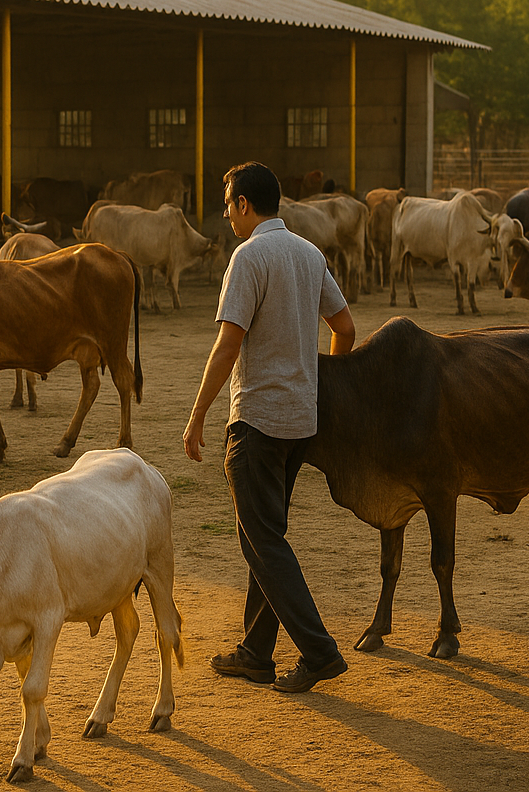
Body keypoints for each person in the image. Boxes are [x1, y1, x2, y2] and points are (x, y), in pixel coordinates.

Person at [182, 161, 357, 694]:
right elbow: (345, 329)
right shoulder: (308, 254)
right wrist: (313, 382)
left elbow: (228, 343)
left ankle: (320, 653)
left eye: (228, 204)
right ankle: (256, 653)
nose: (226, 214)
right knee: (265, 537)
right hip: (300, 422)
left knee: (264, 542)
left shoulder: (249, 256)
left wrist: (196, 416)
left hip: (257, 420)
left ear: (243, 205)